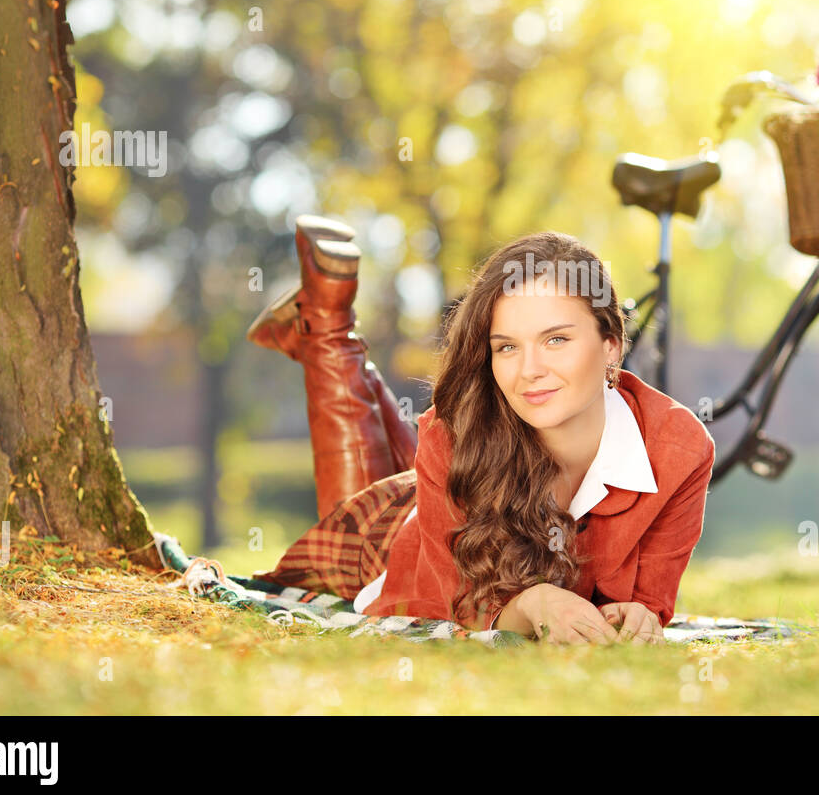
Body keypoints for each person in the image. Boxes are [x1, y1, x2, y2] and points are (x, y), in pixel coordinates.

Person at [248, 217, 716, 644]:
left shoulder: (682, 451)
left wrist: (638, 616)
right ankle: (328, 330)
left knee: (421, 440)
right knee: (373, 472)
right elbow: (460, 603)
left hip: (441, 479)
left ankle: (324, 330)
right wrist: (530, 604)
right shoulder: (450, 436)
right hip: (399, 540)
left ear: (611, 346)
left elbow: (651, 600)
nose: (529, 370)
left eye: (556, 339)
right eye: (507, 347)